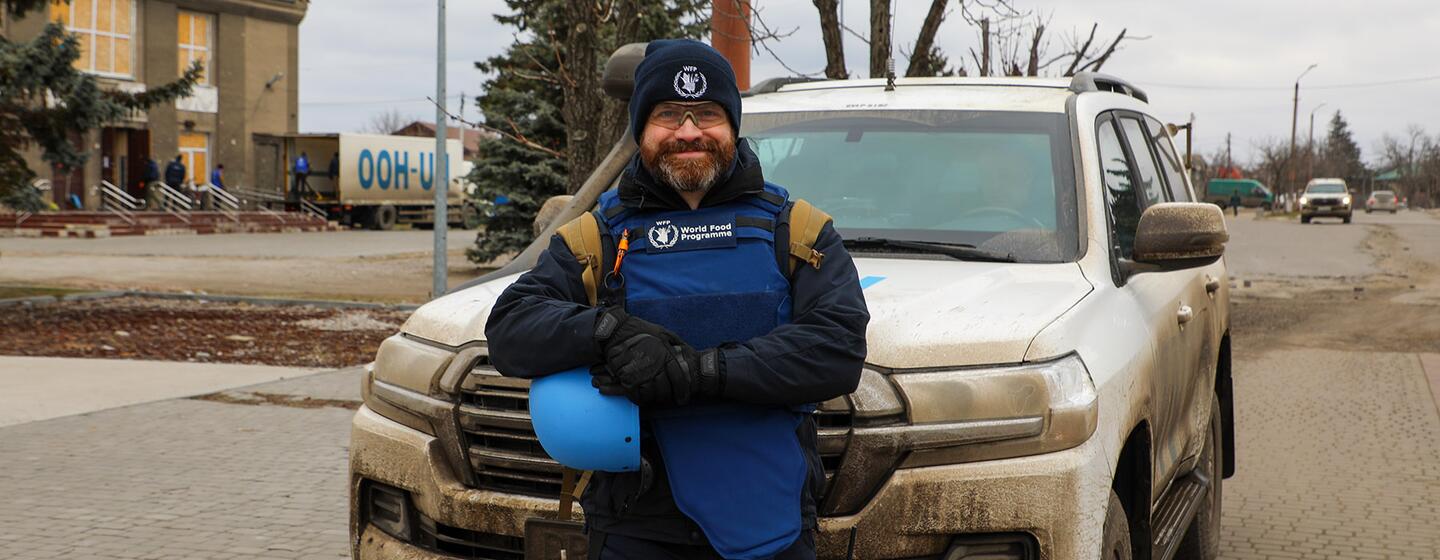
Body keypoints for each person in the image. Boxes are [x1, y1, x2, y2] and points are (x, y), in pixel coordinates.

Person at [485, 40, 869, 560]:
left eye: (707, 113)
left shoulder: (797, 231)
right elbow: (510, 329)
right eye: (668, 114)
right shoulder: (596, 236)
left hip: (766, 520)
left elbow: (836, 349)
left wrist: (700, 370)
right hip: (633, 525)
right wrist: (606, 332)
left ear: (732, 125)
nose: (689, 131)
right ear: (641, 128)